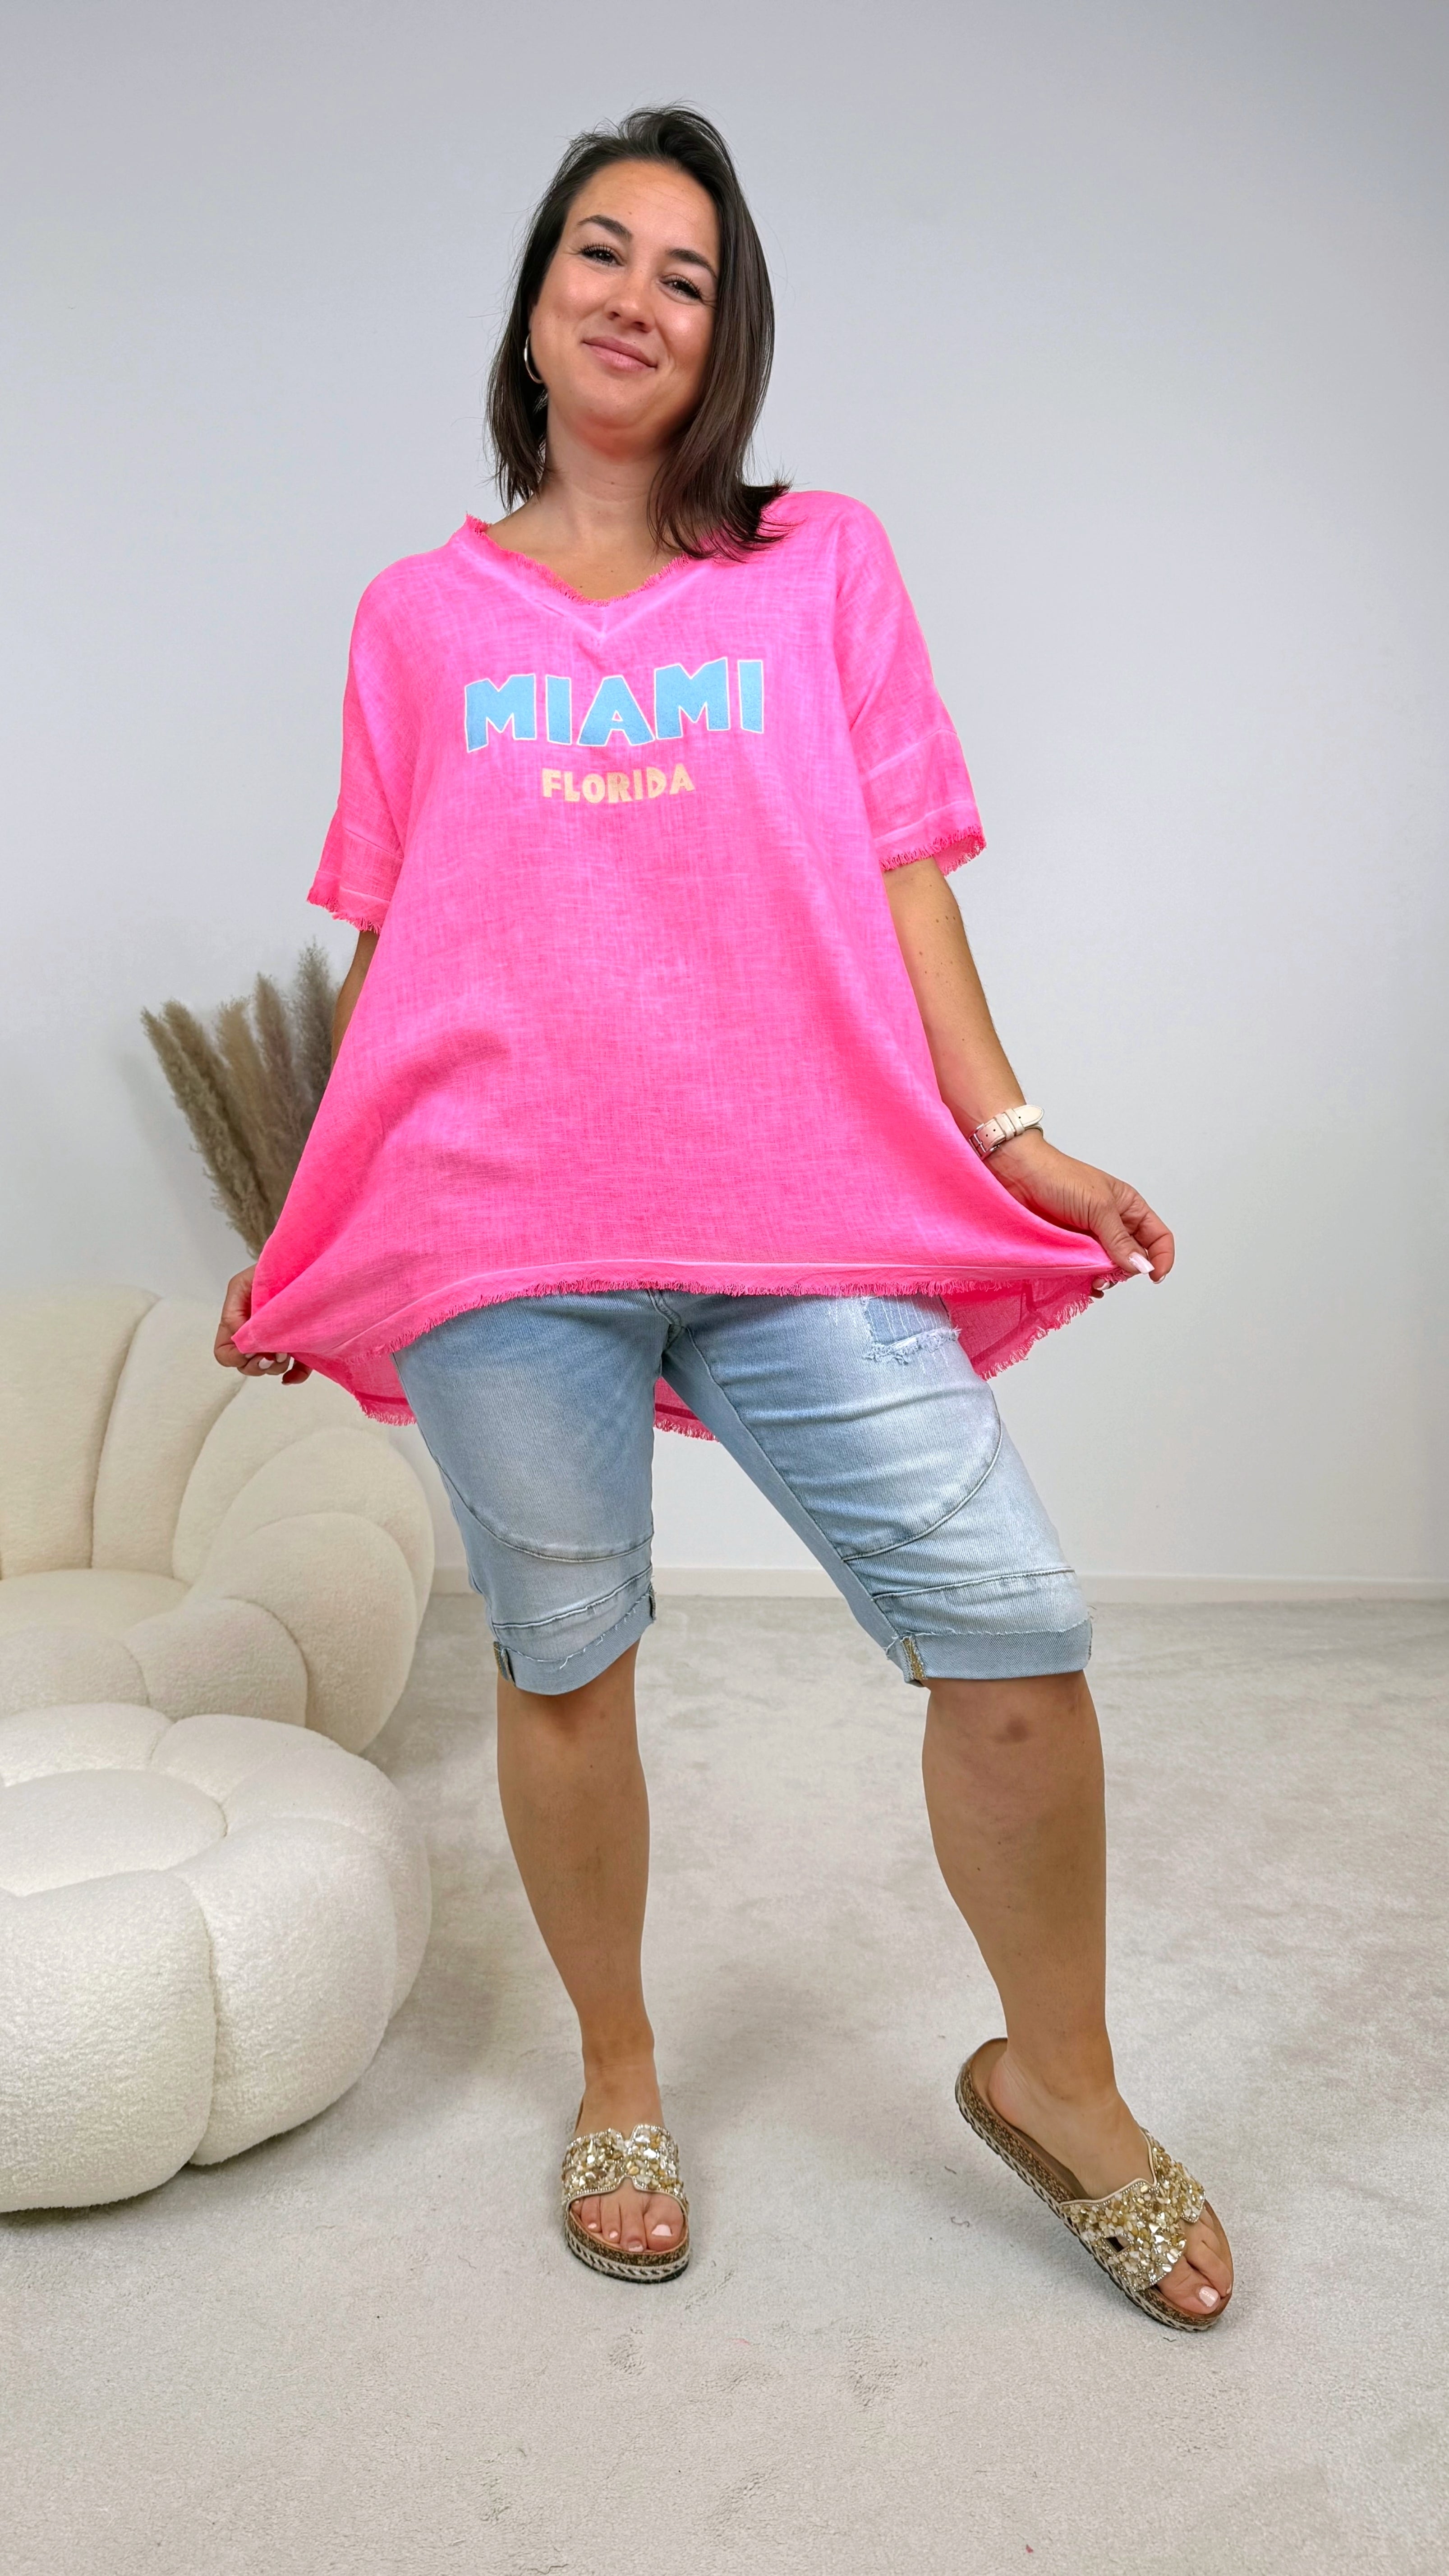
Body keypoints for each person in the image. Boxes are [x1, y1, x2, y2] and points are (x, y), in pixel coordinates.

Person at [220, 106, 1232, 2328]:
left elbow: (906, 872)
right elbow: (393, 948)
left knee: (1012, 1633)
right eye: (601, 252)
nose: (637, 298)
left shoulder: (821, 565)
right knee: (566, 1656)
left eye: (686, 274)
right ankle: (619, 2072)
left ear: (725, 335)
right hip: (502, 1225)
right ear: (534, 304)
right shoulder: (417, 618)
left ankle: (1061, 2084)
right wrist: (313, 1224)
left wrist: (1014, 1132)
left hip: (805, 1200)